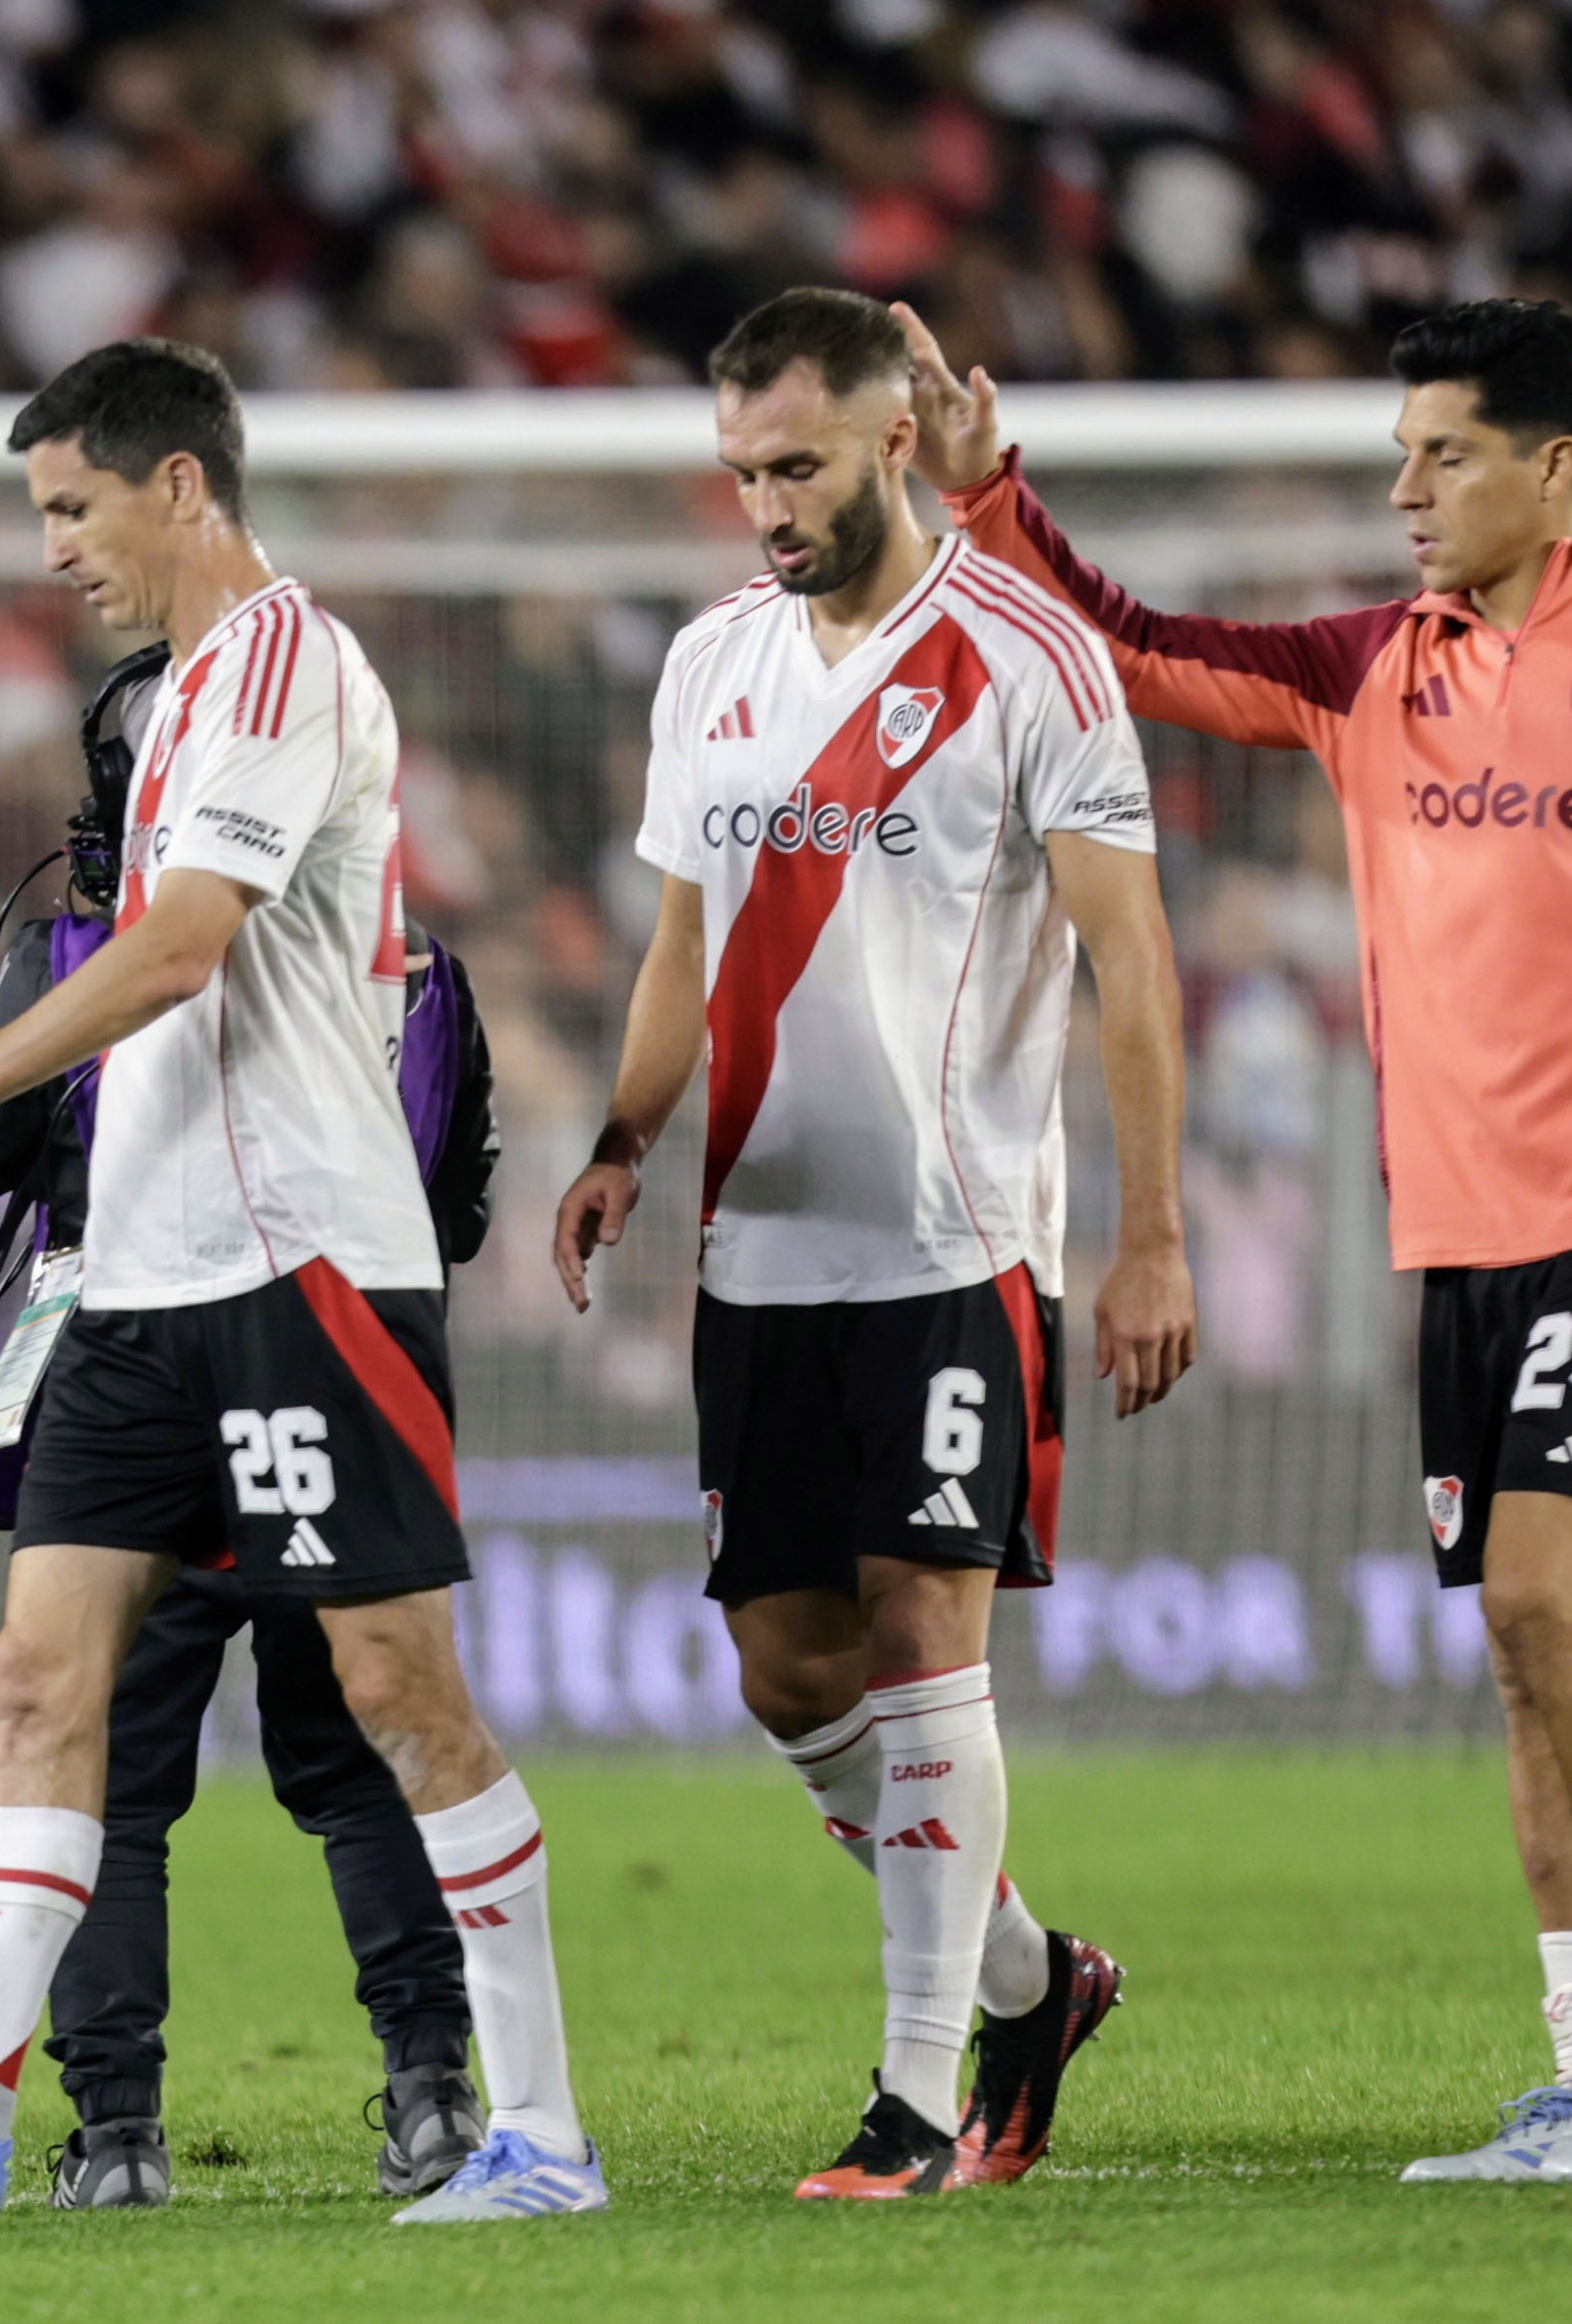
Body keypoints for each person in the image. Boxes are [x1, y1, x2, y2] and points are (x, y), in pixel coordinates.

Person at [902, 296, 1572, 2182]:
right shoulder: (1374, 668)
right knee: (1529, 1648)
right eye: (1400, 452)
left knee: (1542, 1600)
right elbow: (1129, 652)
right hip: (1450, 1238)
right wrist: (988, 495)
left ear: (1555, 466)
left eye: (1446, 452)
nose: (1408, 486)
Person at [0, 337, 603, 2229]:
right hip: (133, 1276)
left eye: (71, 506)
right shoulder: (187, 691)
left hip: (300, 1261)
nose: (53, 550)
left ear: (180, 485)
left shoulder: (286, 658)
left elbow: (185, 948)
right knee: (40, 1674)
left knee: (395, 1686)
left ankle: (536, 2130)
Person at [553, 289, 1195, 2201]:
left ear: (892, 441)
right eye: (742, 468)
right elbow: (680, 947)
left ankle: (912, 2104)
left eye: (800, 463)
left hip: (954, 1242)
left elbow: (1131, 964)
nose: (765, 501)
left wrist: (1147, 1234)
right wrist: (619, 1140)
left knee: (924, 1630)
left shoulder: (1031, 659)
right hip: (761, 1257)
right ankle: (1024, 1979)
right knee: (785, 1672)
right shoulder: (710, 666)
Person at [0, 664, 501, 2207]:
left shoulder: (88, 950)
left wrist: (27, 1005)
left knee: (95, 1762)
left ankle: (115, 2137)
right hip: (340, 1377)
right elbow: (447, 1209)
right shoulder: (419, 972)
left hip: (126, 1404)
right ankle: (434, 2096)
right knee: (370, 1754)